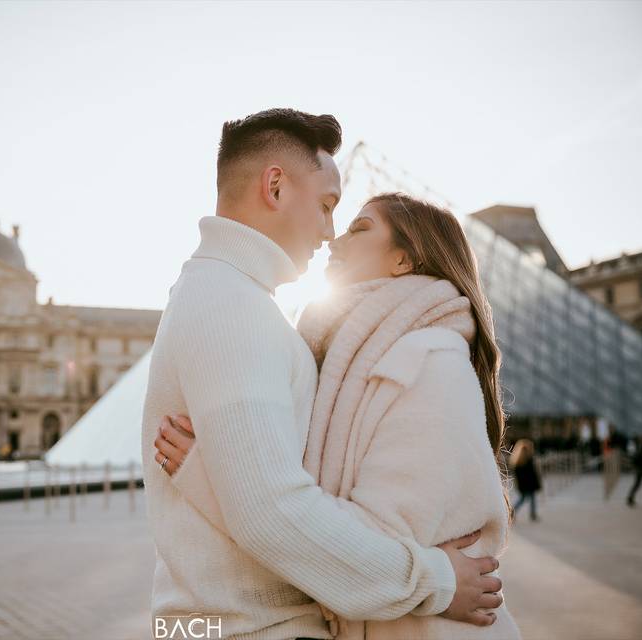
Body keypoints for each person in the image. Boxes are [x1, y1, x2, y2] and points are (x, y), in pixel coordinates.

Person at [141, 109, 504, 640]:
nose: (330, 232)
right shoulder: (230, 305)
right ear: (275, 186)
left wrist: (208, 473)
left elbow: (272, 503)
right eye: (328, 206)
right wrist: (437, 580)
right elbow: (272, 512)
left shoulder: (233, 300)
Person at [509, 439, 542, 522]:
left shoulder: (516, 461)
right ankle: (531, 514)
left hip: (523, 485)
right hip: (530, 484)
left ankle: (513, 512)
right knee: (529, 499)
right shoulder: (528, 461)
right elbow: (533, 474)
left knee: (523, 499)